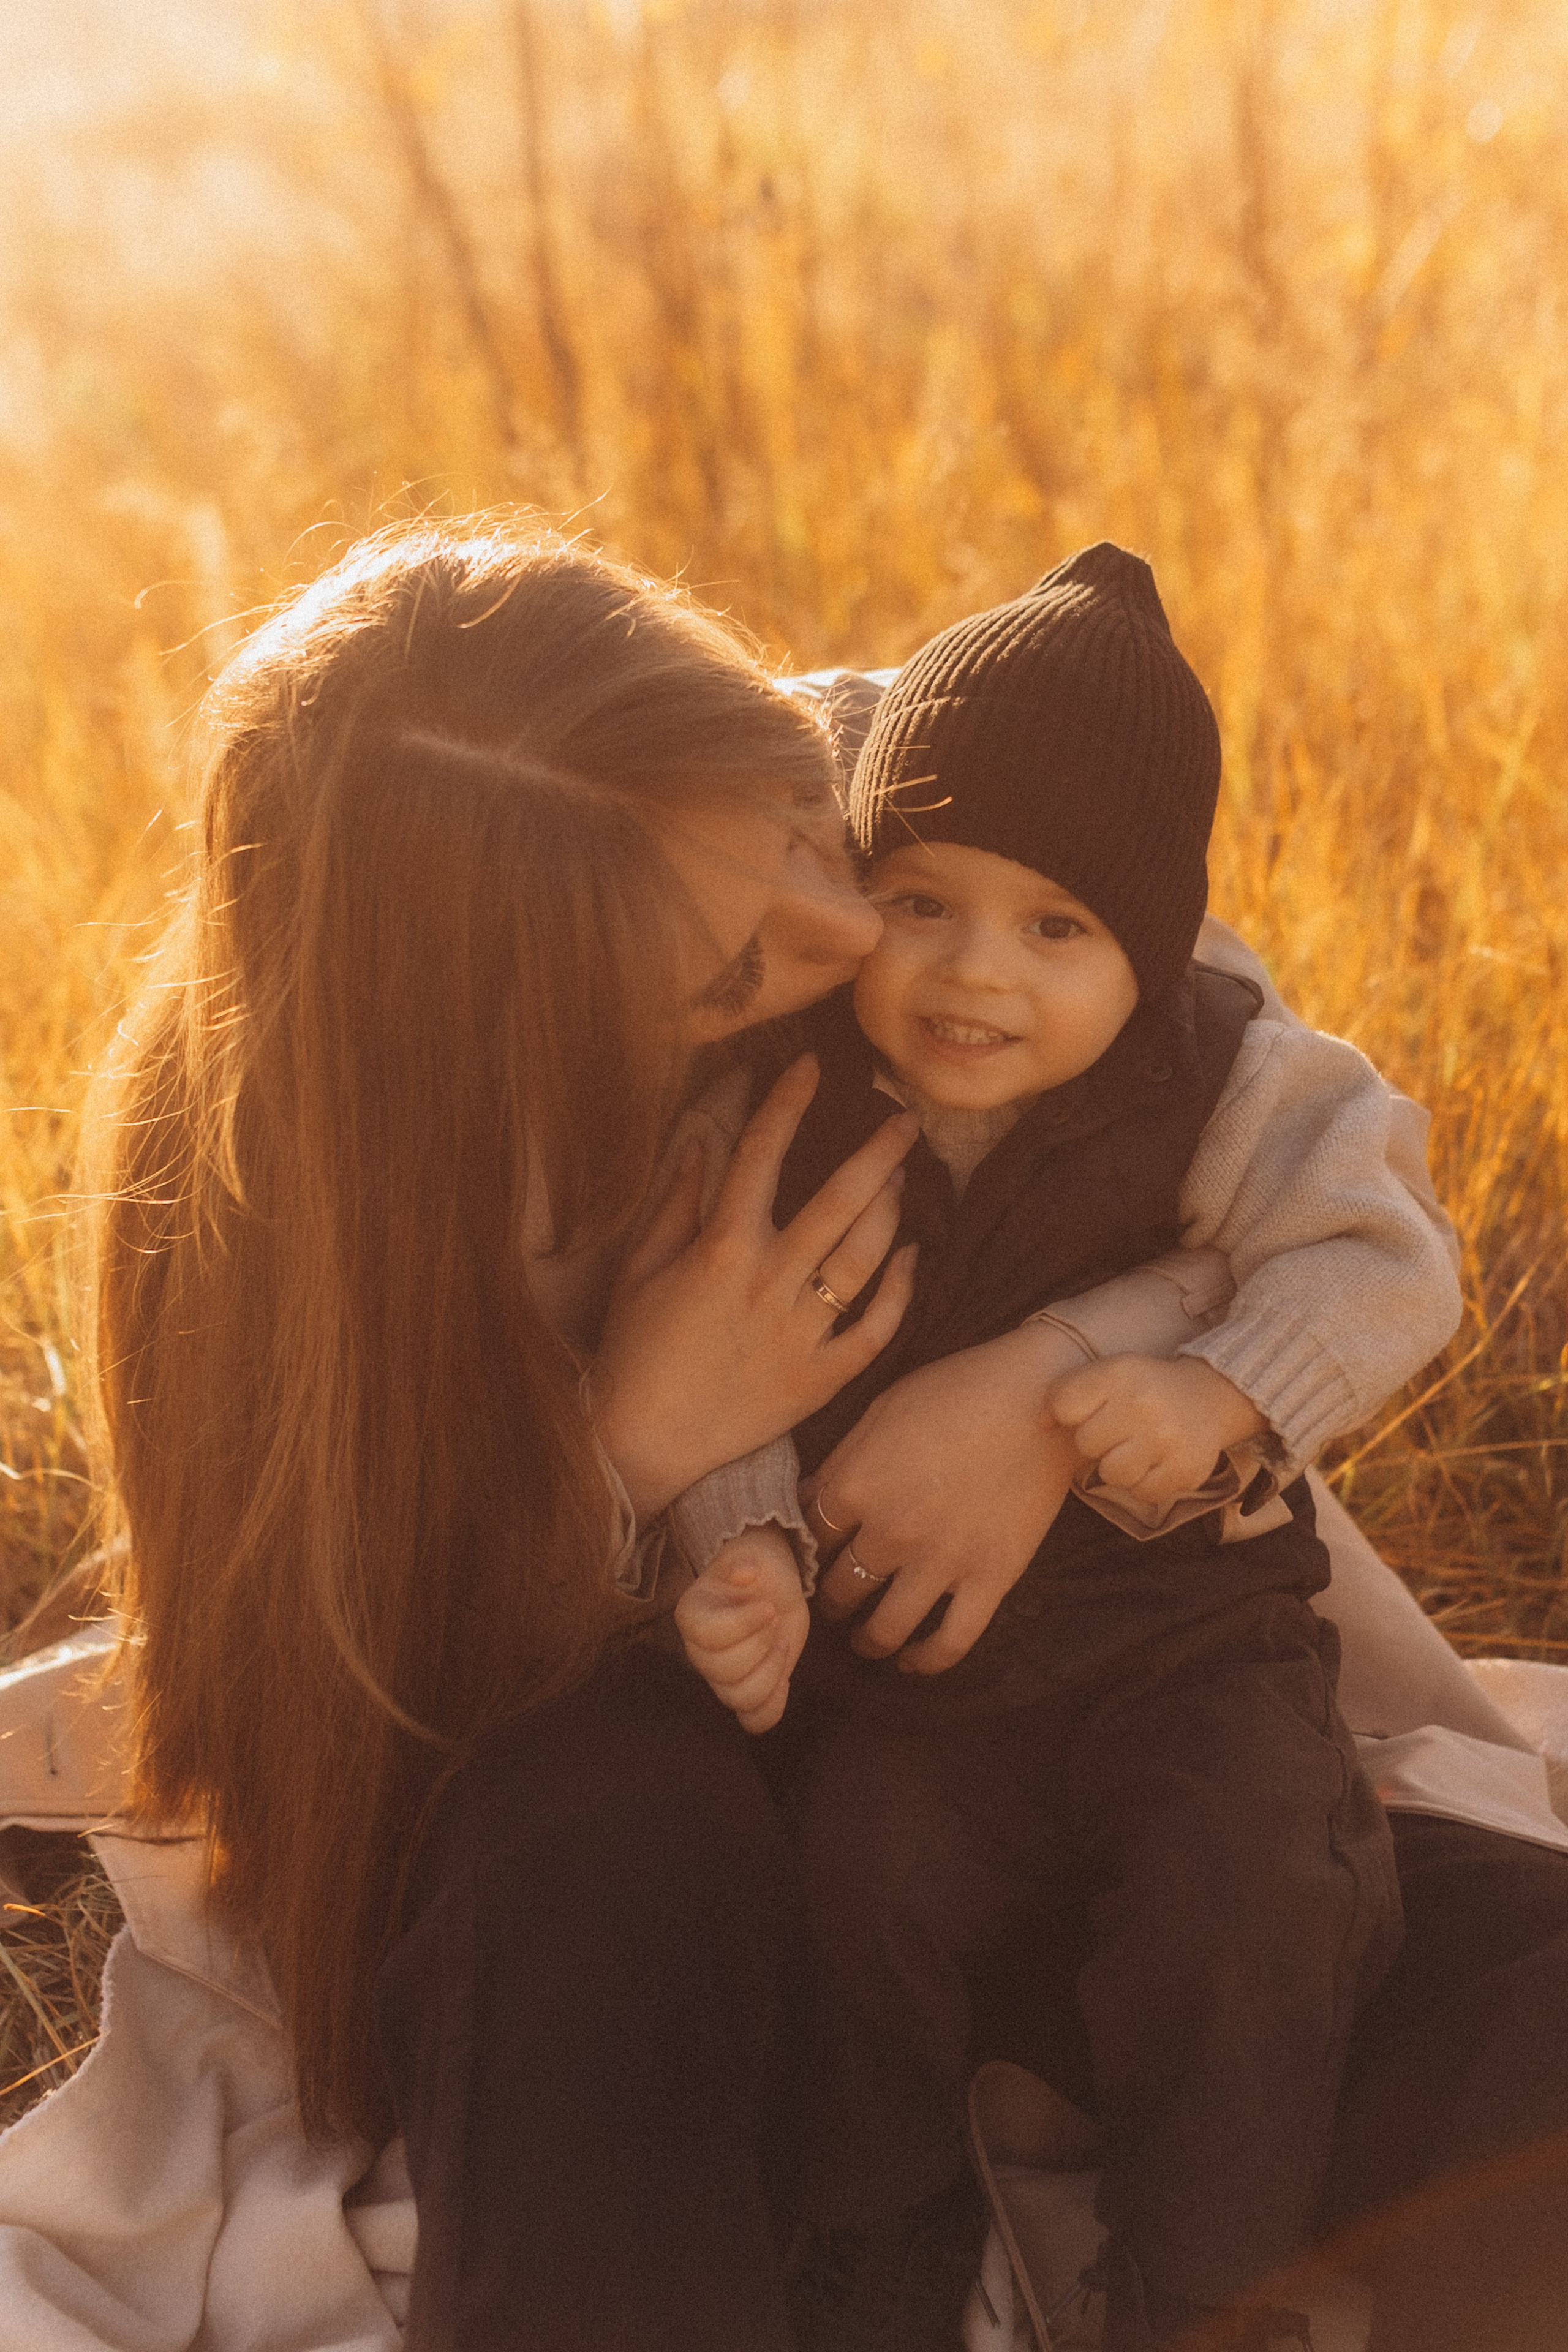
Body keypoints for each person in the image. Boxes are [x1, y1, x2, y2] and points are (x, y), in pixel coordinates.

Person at [675, 548, 1462, 2350]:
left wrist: (1234, 1384)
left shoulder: (1231, 1073)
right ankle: (875, 2250)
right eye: (925, 900)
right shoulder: (796, 1096)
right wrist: (754, 1553)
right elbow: (739, 1365)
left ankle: (1205, 2280)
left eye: (1056, 929)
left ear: (1155, 938)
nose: (974, 974)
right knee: (853, 1882)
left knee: (1245, 1886)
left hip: (1186, 1651)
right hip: (919, 1685)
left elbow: (1389, 1252)